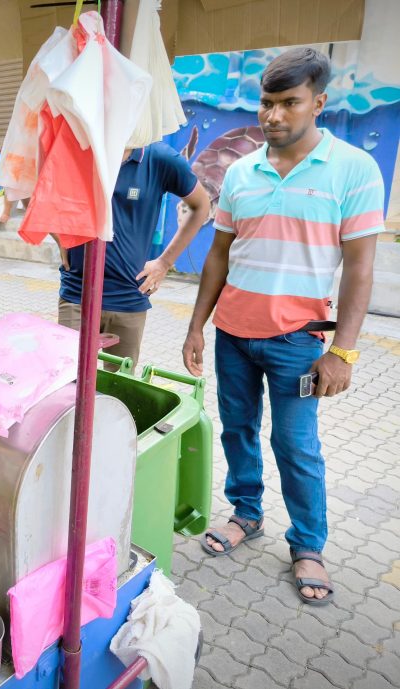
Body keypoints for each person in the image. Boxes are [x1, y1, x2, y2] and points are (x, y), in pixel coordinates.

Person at [182, 48, 383, 606]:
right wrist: (197, 326)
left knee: (295, 444)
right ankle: (246, 514)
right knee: (237, 430)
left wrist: (343, 352)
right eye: (267, 103)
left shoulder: (353, 169)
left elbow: (360, 268)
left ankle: (308, 543)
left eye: (289, 103)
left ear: (318, 103)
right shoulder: (240, 172)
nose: (273, 115)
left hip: (299, 342)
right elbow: (219, 255)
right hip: (233, 336)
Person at [57, 142, 210, 369]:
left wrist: (165, 262)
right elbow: (37, 187)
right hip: (77, 295)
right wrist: (59, 236)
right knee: (66, 380)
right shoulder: (79, 148)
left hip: (128, 299)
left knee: (119, 385)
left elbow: (201, 205)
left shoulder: (158, 158)